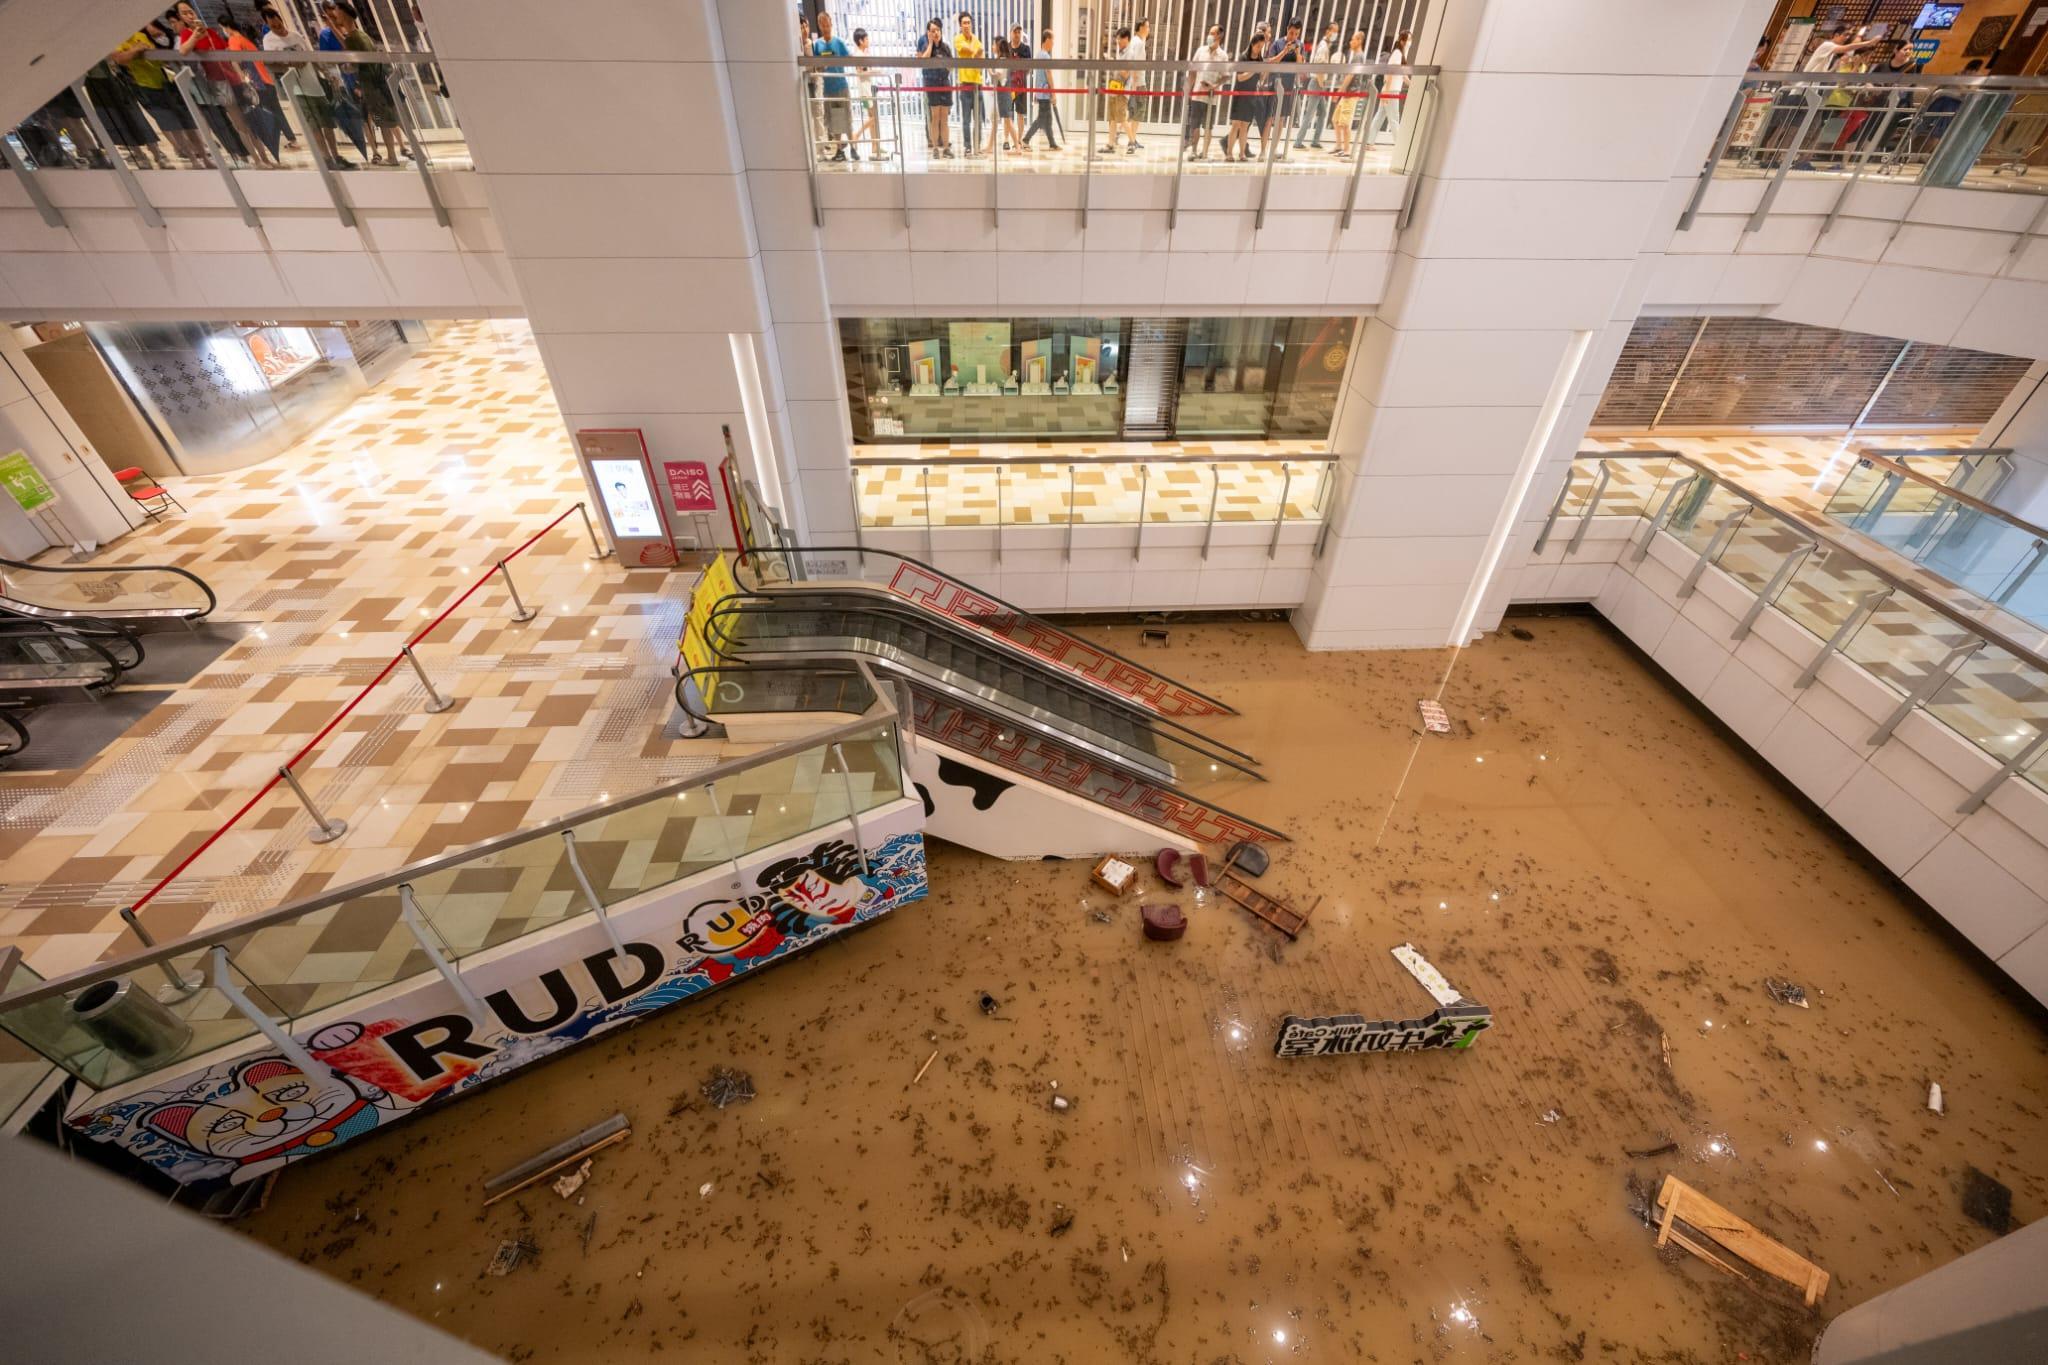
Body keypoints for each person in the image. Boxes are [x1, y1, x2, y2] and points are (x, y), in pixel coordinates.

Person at [262, 4, 346, 168]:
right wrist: (289, 62)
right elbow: (270, 64)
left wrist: (326, 74)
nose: (278, 29)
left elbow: (311, 57)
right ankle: (326, 158)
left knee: (327, 122)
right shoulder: (269, 41)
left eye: (279, 24)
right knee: (314, 125)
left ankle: (336, 155)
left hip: (313, 83)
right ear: (268, 25)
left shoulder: (295, 35)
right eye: (273, 26)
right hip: (297, 89)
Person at [323, 1, 405, 166]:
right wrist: (332, 26)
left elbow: (354, 61)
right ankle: (392, 154)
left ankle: (392, 156)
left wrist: (347, 69)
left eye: (337, 12)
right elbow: (347, 43)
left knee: (381, 121)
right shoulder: (360, 35)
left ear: (343, 14)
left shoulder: (354, 37)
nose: (335, 15)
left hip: (372, 88)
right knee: (383, 120)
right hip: (377, 86)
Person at [116, 26, 203, 165]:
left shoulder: (141, 35)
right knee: (173, 125)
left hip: (164, 81)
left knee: (186, 121)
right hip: (146, 86)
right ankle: (192, 158)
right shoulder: (119, 42)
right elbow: (120, 59)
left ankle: (202, 156)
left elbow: (158, 56)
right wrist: (135, 50)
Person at [92, 38, 173, 168]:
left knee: (137, 118)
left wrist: (133, 50)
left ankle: (157, 154)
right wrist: (134, 49)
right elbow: (118, 58)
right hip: (100, 85)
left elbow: (118, 58)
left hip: (118, 82)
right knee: (120, 120)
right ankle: (139, 154)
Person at [223, 20, 287, 163]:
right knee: (268, 118)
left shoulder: (234, 40)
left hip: (254, 85)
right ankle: (269, 156)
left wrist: (244, 83)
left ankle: (267, 157)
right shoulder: (244, 40)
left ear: (226, 28)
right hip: (261, 82)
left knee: (261, 121)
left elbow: (235, 62)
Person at [811, 12, 852, 163]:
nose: (826, 27)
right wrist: (821, 67)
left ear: (831, 24)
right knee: (834, 120)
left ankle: (853, 148)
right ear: (820, 26)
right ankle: (839, 150)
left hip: (841, 85)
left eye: (828, 24)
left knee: (846, 117)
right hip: (828, 88)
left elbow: (849, 59)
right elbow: (816, 66)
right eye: (823, 24)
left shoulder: (839, 42)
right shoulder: (818, 45)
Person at [1185, 23, 1228, 160]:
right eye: (1209, 33)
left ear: (1219, 36)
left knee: (1208, 126)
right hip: (1197, 94)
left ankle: (1204, 153)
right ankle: (1193, 150)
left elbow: (1226, 76)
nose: (1209, 36)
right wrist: (1188, 88)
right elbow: (1192, 71)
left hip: (1212, 97)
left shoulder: (1223, 56)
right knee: (1195, 124)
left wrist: (1214, 86)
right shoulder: (1201, 51)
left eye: (1212, 33)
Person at [1295, 20, 1340, 150]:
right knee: (1310, 114)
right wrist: (1322, 85)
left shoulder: (1325, 45)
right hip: (1317, 84)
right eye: (1334, 31)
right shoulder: (1323, 47)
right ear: (1328, 31)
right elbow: (1319, 67)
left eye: (1337, 32)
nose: (1336, 34)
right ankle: (1298, 142)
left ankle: (1315, 140)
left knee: (1323, 112)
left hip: (1319, 84)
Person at [1224, 33, 1268, 163]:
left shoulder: (1260, 60)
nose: (1259, 49)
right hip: (1240, 94)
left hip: (1251, 96)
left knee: (1245, 126)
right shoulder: (1243, 57)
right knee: (1236, 125)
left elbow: (1260, 80)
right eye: (1257, 46)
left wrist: (1264, 71)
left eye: (1261, 47)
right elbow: (1239, 77)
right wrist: (1254, 70)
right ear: (1252, 44)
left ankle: (1242, 154)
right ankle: (1229, 153)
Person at [917, 18, 954, 160]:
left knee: (944, 118)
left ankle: (945, 148)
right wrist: (931, 44)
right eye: (933, 31)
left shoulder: (946, 47)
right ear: (928, 32)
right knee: (935, 117)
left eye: (938, 30)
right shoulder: (925, 45)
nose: (936, 33)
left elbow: (951, 67)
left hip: (945, 83)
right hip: (931, 84)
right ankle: (934, 148)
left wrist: (945, 64)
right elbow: (924, 62)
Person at [1266, 18, 1304, 158]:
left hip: (1288, 86)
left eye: (1296, 34)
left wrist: (1298, 52)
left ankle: (1273, 149)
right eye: (1291, 32)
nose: (1293, 36)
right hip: (1275, 83)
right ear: (1287, 29)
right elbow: (1270, 62)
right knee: (1270, 118)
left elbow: (1300, 66)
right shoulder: (1277, 43)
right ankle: (1265, 148)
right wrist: (1284, 51)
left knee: (1281, 119)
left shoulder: (1300, 45)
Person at [1332, 28, 1369, 160]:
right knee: (1336, 120)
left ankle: (1347, 149)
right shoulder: (1356, 56)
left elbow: (1350, 76)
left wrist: (1339, 91)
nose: (1350, 42)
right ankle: (1339, 146)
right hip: (1348, 93)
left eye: (1353, 39)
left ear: (1359, 40)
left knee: (1344, 123)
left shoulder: (1358, 56)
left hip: (1351, 94)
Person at [849, 27, 885, 162]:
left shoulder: (862, 54)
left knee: (872, 118)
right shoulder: (859, 55)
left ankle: (875, 146)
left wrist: (875, 70)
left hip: (866, 88)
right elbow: (861, 72)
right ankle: (856, 135)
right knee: (873, 118)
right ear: (860, 40)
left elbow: (865, 71)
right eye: (866, 39)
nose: (868, 41)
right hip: (865, 89)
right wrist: (875, 72)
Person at [1369, 29, 1410, 144]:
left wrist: (1413, 86)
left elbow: (1403, 76)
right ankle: (1399, 145)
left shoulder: (1400, 54)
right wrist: (1386, 92)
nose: (1410, 42)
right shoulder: (1397, 54)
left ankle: (1369, 141)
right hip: (1391, 90)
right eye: (1409, 40)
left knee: (1380, 116)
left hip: (1390, 89)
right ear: (1402, 41)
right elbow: (1390, 73)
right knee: (1394, 119)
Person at [1021, 27, 1059, 151]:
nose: (1053, 43)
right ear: (1047, 40)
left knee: (1047, 119)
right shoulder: (1045, 56)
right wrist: (1053, 93)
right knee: (1042, 119)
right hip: (1045, 93)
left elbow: (1038, 75)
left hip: (1041, 92)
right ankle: (1026, 139)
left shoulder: (1039, 54)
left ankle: (1052, 143)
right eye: (1052, 40)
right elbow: (1049, 74)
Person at [955, 12, 985, 157]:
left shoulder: (977, 40)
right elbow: (967, 50)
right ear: (960, 25)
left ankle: (977, 146)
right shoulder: (958, 39)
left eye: (968, 22)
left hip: (977, 84)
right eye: (964, 23)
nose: (966, 25)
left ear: (971, 24)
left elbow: (981, 65)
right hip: (965, 85)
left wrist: (979, 54)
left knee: (978, 120)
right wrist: (977, 53)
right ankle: (968, 147)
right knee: (966, 119)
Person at [1101, 27, 1133, 155]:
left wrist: (1114, 63)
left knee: (1122, 119)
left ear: (1126, 38)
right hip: (1115, 88)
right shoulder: (1122, 51)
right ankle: (1110, 144)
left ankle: (1132, 142)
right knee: (1112, 119)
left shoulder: (1130, 53)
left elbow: (1126, 74)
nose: (1117, 41)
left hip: (1122, 90)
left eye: (1119, 39)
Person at [999, 26, 1029, 153]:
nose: (1017, 34)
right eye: (1014, 32)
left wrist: (1020, 77)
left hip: (1021, 85)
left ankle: (1019, 140)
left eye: (1018, 32)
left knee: (1020, 114)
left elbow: (1028, 66)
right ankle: (1006, 140)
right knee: (1007, 114)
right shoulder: (1006, 48)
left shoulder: (1025, 49)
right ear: (1010, 33)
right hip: (1008, 85)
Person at [1803, 24, 1882, 73]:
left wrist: (1834, 68)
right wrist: (1869, 42)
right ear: (1836, 35)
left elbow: (1823, 73)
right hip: (1803, 88)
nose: (1847, 38)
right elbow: (1846, 48)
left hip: (1810, 90)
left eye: (1849, 36)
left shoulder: (1831, 52)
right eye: (1845, 35)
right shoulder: (1827, 45)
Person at [1126, 18, 1149, 153]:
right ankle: (1131, 141)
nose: (1148, 29)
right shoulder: (1139, 43)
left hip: (1134, 83)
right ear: (1141, 27)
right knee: (1136, 115)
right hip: (1139, 83)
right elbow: (1135, 63)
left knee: (1133, 114)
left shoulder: (1134, 41)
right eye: (1147, 26)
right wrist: (1134, 84)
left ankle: (1133, 139)